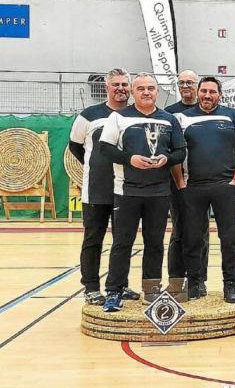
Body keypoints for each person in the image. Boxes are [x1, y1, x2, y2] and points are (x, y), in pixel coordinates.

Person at [99, 72, 186, 312]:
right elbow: (105, 148)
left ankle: (151, 289)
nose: (146, 92)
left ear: (157, 91)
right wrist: (130, 159)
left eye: (151, 88)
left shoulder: (169, 119)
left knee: (155, 243)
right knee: (122, 243)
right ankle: (114, 292)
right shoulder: (119, 117)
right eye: (141, 89)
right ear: (133, 92)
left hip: (159, 192)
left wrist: (166, 159)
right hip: (126, 191)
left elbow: (180, 152)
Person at [173, 76, 235, 303]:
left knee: (229, 239)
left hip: (224, 187)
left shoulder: (231, 115)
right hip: (193, 188)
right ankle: (196, 282)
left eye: (212, 92)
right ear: (198, 92)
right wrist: (180, 182)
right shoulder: (182, 118)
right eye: (204, 91)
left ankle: (230, 285)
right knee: (192, 238)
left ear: (220, 94)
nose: (208, 95)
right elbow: (175, 151)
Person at [68, 68, 139, 305]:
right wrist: (96, 167)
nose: (120, 88)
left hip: (126, 190)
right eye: (115, 84)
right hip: (96, 190)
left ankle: (119, 285)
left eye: (124, 84)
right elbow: (76, 147)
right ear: (106, 88)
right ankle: (90, 287)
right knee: (93, 239)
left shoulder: (135, 114)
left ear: (130, 88)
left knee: (123, 240)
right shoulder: (89, 115)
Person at [165, 70, 211, 295]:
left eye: (190, 82)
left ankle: (199, 279)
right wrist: (179, 179)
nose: (185, 86)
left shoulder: (206, 111)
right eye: (181, 82)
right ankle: (175, 280)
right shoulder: (169, 113)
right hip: (177, 183)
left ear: (198, 86)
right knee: (179, 231)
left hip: (202, 182)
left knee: (201, 231)